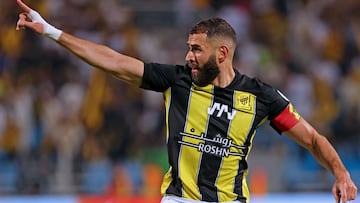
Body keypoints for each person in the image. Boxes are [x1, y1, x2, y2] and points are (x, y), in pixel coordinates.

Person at [15, 0, 357, 202]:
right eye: (188, 48)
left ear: (222, 53)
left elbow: (312, 138)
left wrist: (340, 172)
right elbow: (114, 61)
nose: (188, 56)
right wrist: (51, 32)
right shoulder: (176, 81)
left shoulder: (260, 96)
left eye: (196, 49)